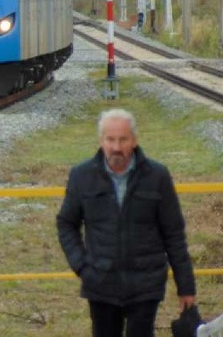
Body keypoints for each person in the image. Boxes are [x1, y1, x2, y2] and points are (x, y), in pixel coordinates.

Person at [56, 108, 197, 337]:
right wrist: (82, 265)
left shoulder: (157, 176)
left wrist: (186, 287)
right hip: (100, 284)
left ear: (134, 140)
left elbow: (174, 234)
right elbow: (66, 223)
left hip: (146, 285)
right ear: (101, 141)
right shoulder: (81, 176)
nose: (116, 147)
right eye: (110, 139)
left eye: (123, 139)